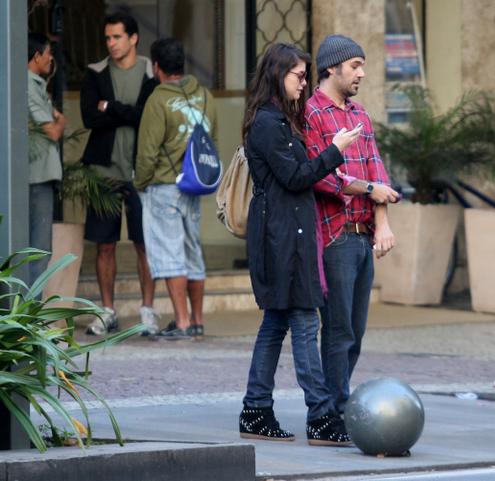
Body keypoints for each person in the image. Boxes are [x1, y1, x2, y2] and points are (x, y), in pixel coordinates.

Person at [238, 43, 362, 445]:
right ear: (278, 75)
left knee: (276, 323)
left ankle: (256, 409)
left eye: (306, 75)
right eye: (299, 76)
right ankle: (321, 415)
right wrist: (335, 151)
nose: (305, 83)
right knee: (305, 323)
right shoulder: (267, 123)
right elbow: (294, 177)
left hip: (289, 235)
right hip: (280, 239)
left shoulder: (282, 120)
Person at [305, 35, 400, 415]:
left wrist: (383, 223)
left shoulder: (360, 115)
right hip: (335, 237)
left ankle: (337, 402)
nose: (362, 72)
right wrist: (372, 189)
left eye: (362, 65)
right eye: (355, 65)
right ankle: (333, 410)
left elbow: (380, 174)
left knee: (355, 333)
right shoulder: (311, 113)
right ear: (332, 67)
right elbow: (322, 177)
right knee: (339, 330)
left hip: (363, 238)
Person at [80, 12, 159, 335]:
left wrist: (109, 107)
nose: (111, 44)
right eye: (108, 38)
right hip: (103, 172)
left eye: (117, 37)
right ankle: (107, 311)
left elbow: (147, 117)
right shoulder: (95, 73)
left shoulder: (150, 73)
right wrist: (124, 112)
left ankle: (147, 312)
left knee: (145, 244)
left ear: (133, 38)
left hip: (141, 173)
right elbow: (89, 118)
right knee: (105, 244)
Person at [134, 38, 217, 340]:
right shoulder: (206, 96)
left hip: (164, 187)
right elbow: (211, 142)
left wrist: (140, 182)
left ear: (156, 67)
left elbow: (146, 153)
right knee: (193, 251)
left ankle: (181, 323)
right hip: (193, 186)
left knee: (170, 255)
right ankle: (197, 320)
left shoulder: (157, 100)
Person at [27, 33, 64, 284]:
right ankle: (28, 318)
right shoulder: (28, 85)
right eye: (48, 52)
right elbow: (53, 128)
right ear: (37, 55)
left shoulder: (36, 84)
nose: (51, 58)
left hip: (39, 175)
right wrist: (58, 120)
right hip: (36, 177)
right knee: (37, 250)